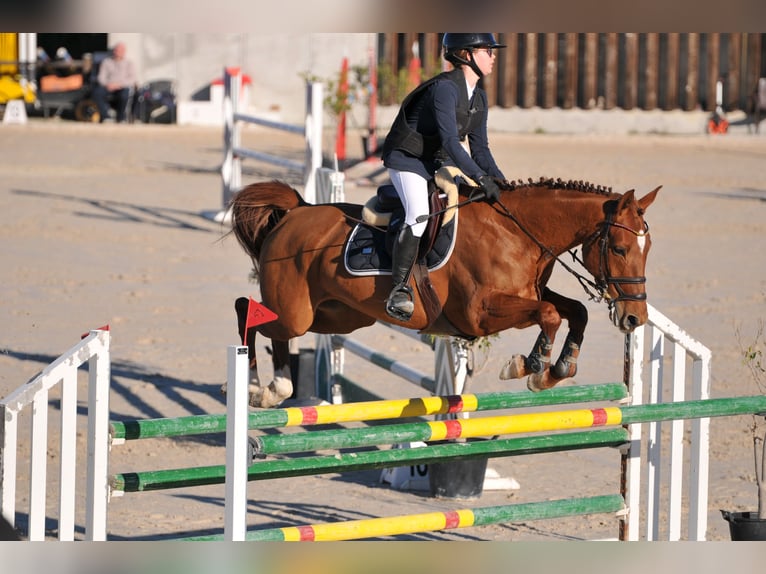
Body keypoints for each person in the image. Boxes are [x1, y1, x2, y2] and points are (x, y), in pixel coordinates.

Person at [380, 33, 507, 322]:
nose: (493, 55)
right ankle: (398, 289)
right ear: (466, 54)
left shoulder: (480, 97)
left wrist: (501, 183)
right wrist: (477, 176)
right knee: (419, 213)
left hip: (436, 160)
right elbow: (451, 141)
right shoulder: (445, 89)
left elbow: (481, 150)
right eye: (487, 50)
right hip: (407, 159)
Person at [92, 42, 136, 123]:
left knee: (125, 94)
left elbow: (132, 79)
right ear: (114, 51)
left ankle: (121, 118)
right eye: (117, 50)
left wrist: (119, 84)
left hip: (122, 87)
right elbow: (101, 77)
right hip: (108, 86)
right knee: (97, 93)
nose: (118, 52)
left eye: (121, 50)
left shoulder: (129, 63)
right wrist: (108, 84)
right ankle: (106, 116)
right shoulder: (106, 62)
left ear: (124, 52)